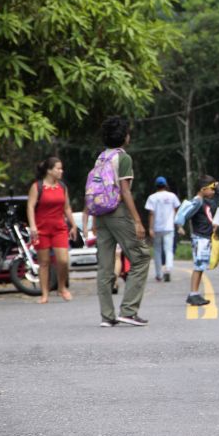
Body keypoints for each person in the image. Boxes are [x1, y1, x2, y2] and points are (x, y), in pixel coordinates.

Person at [92, 116, 151, 327]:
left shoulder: (101, 157)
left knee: (105, 266)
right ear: (125, 136)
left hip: (100, 214)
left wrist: (92, 218)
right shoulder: (123, 158)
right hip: (118, 212)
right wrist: (137, 220)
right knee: (142, 257)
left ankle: (107, 316)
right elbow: (125, 190)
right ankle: (129, 310)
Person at [26, 156, 77, 303]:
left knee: (63, 260)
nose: (61, 171)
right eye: (58, 168)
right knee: (44, 262)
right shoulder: (37, 186)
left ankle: (61, 287)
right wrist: (33, 226)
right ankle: (44, 294)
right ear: (49, 171)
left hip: (59, 228)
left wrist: (73, 225)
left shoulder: (62, 187)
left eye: (61, 168)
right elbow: (30, 206)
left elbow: (67, 207)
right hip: (41, 228)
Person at [175, 175, 219, 306]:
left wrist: (218, 189)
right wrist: (180, 226)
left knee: (201, 267)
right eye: (211, 189)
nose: (213, 191)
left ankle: (195, 293)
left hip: (205, 237)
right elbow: (184, 213)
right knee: (198, 266)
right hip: (200, 238)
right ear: (203, 189)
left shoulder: (206, 201)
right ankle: (193, 293)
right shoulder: (198, 201)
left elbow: (217, 202)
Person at [145, 176, 180, 282]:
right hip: (169, 227)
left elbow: (151, 213)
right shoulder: (172, 196)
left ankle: (159, 274)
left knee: (157, 250)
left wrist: (150, 228)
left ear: (156, 186)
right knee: (168, 250)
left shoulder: (152, 197)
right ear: (166, 185)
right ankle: (168, 269)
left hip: (157, 227)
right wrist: (175, 223)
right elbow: (176, 210)